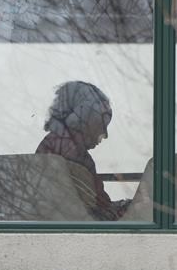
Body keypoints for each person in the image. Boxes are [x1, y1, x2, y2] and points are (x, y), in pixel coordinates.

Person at [35, 81, 129, 220]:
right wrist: (128, 210)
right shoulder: (72, 155)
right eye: (102, 123)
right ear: (86, 118)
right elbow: (92, 214)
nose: (105, 134)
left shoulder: (51, 146)